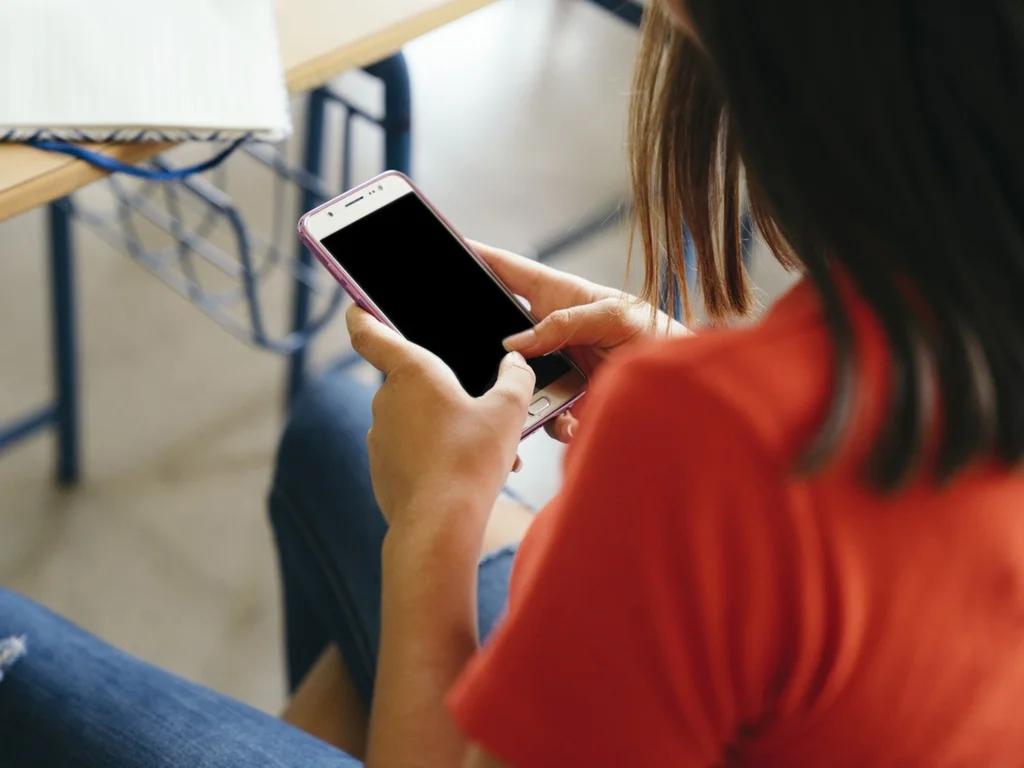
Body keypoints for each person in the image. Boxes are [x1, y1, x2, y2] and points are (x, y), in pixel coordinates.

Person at [4, 0, 1024, 764]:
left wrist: (434, 518)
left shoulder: (710, 445)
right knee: (327, 421)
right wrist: (697, 372)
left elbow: (761, 501)